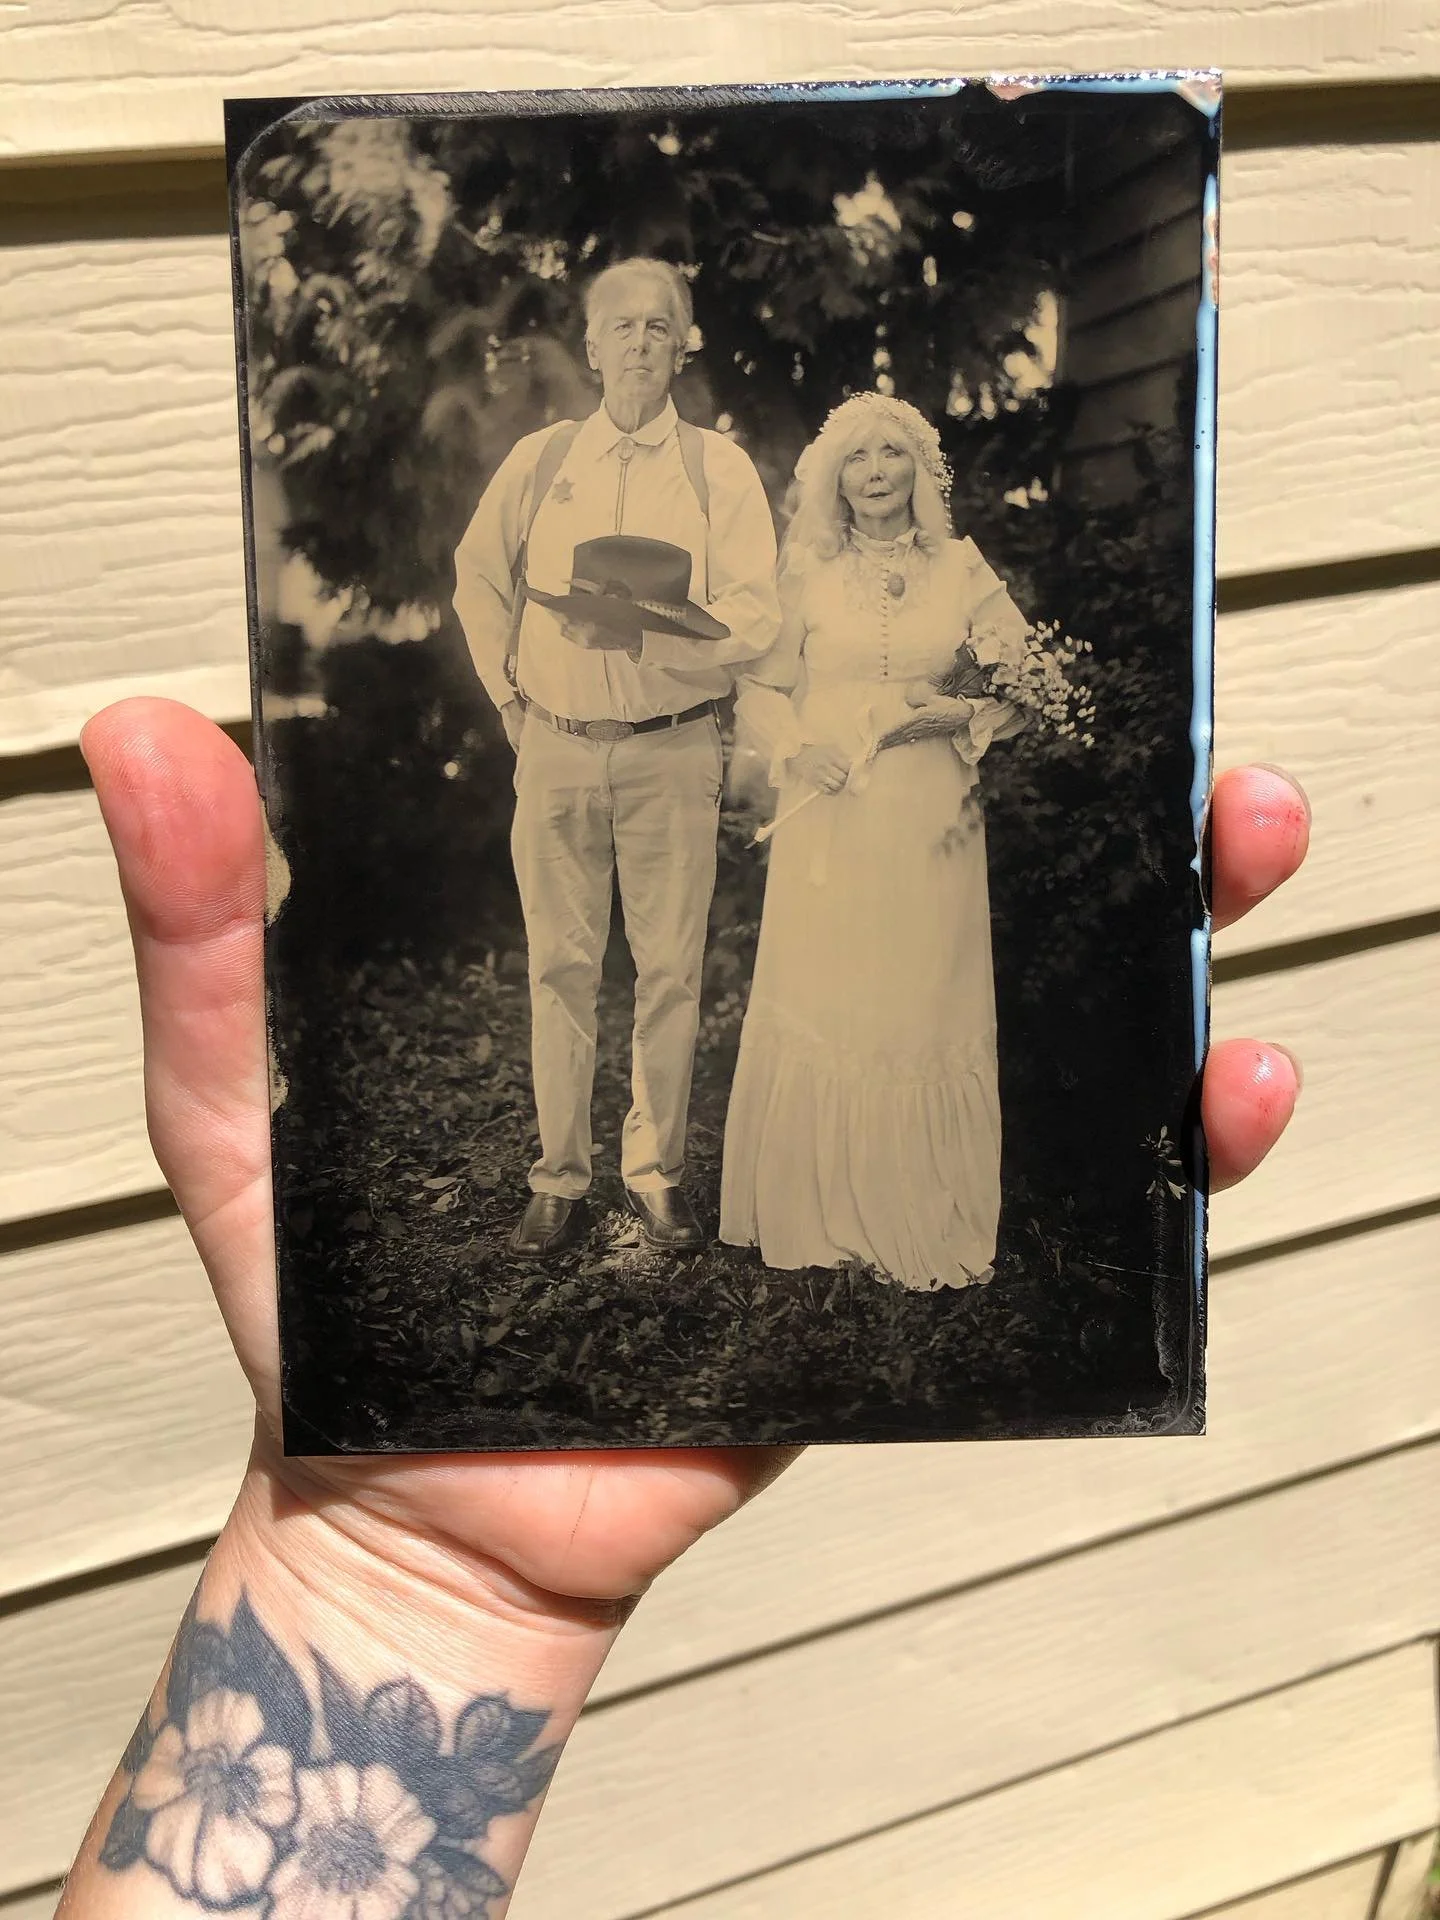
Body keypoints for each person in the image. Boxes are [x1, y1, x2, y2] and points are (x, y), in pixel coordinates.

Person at [56, 698, 1307, 1917]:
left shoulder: (737, 497)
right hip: (683, 766)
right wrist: (379, 1560)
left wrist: (411, 1579)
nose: (874, 469)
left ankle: (709, 1185)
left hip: (870, 804)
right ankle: (619, 1176)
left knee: (687, 972)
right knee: (593, 966)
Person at [452, 256, 781, 1258]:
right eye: (621, 327)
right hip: (553, 749)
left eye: (659, 326)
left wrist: (661, 635)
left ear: (686, 346)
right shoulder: (545, 462)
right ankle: (558, 1179)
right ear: (591, 349)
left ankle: (657, 1176)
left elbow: (760, 616)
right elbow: (476, 578)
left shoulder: (716, 469)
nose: (641, 342)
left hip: (673, 754)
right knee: (559, 967)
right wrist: (510, 700)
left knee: (672, 972)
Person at [721, 392, 1031, 1289]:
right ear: (834, 478)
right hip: (838, 808)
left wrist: (960, 709)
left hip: (931, 810)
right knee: (837, 987)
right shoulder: (807, 572)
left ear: (920, 473)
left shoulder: (963, 568)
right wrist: (798, 748)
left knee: (921, 990)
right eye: (858, 459)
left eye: (892, 454)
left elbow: (1020, 675)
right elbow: (763, 689)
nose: (875, 474)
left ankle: (923, 1206)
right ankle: (821, 1206)